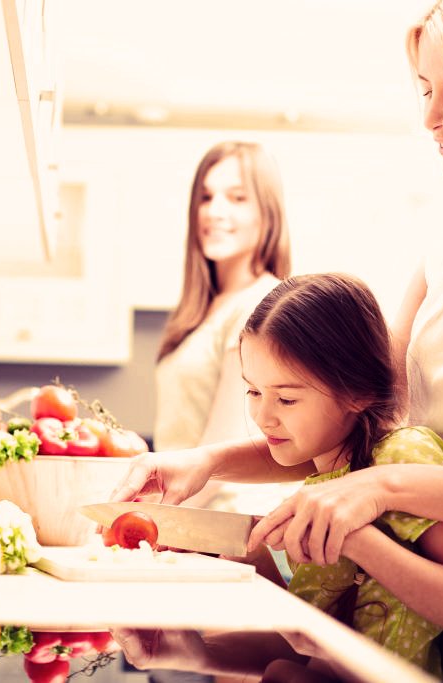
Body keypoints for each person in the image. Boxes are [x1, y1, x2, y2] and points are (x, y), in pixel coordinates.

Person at [114, 1, 443, 681]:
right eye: (426, 90)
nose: (431, 117)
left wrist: (382, 488)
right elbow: (354, 416)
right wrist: (206, 462)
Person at [117, 273, 443, 680]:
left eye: (286, 398)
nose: (263, 417)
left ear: (357, 392)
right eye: (252, 392)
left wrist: (355, 538)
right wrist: (192, 652)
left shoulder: (404, 457)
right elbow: (306, 652)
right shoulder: (324, 476)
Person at [148, 138, 292, 683]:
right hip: (191, 537)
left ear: (267, 214)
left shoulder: (260, 305)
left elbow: (217, 451)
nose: (215, 212)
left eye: (236, 197)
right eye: (206, 197)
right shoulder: (205, 307)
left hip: (227, 547)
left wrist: (138, 528)